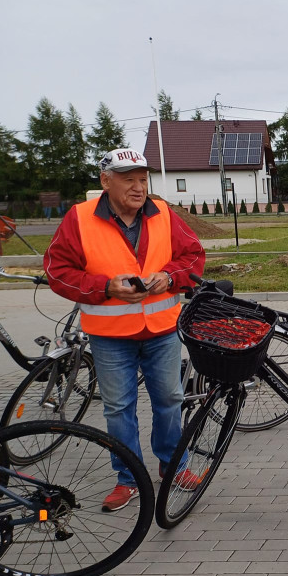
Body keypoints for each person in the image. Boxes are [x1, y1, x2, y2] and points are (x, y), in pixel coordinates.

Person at [43, 148, 206, 511]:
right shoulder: (79, 217)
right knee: (119, 409)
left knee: (169, 401)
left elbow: (193, 255)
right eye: (129, 179)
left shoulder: (163, 213)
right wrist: (105, 287)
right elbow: (58, 270)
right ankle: (128, 478)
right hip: (109, 336)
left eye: (143, 179)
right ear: (106, 181)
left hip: (161, 330)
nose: (139, 187)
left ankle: (173, 466)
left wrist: (168, 277)